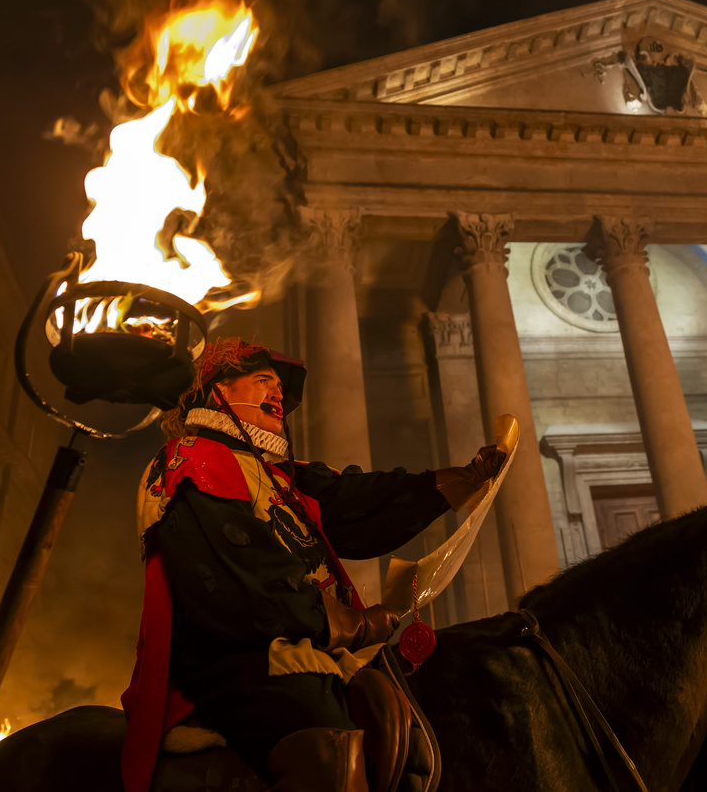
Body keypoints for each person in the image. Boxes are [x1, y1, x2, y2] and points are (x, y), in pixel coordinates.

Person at [119, 338, 507, 792]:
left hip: (312, 645)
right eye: (263, 380)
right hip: (234, 658)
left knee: (418, 738)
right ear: (219, 390)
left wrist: (463, 479)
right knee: (332, 751)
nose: (279, 394)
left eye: (279, 387)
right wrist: (348, 623)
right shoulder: (191, 458)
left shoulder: (278, 474)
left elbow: (359, 503)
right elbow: (238, 574)